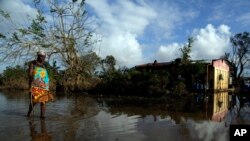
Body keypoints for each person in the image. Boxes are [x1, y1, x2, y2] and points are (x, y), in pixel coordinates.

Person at [27, 50, 52, 119]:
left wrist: (47, 85)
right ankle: (29, 114)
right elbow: (30, 73)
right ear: (38, 56)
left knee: (43, 101)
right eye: (41, 57)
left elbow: (45, 76)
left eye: (44, 57)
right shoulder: (33, 63)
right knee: (34, 101)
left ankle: (42, 116)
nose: (43, 58)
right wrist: (31, 80)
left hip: (44, 86)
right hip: (35, 85)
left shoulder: (43, 65)